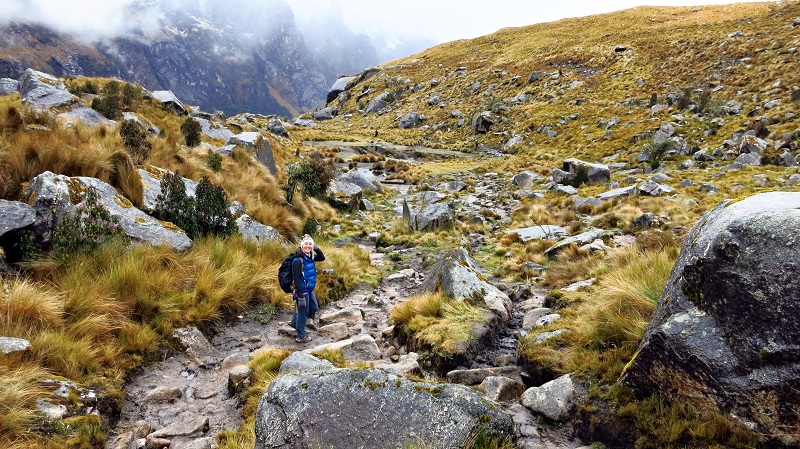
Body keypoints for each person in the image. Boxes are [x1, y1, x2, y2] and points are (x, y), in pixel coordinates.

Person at [289, 235, 325, 343]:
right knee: (303, 313)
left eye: (310, 244)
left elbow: (322, 257)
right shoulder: (298, 260)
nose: (308, 246)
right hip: (302, 291)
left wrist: (316, 247)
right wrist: (300, 296)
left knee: (313, 307)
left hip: (309, 289)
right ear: (302, 245)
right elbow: (296, 279)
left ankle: (295, 321)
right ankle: (301, 335)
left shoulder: (310, 256)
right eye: (306, 244)